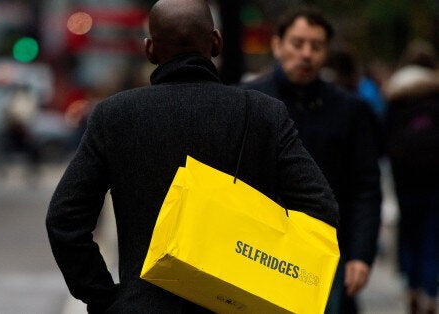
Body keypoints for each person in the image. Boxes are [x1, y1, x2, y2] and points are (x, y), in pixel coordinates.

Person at [46, 0, 339, 312]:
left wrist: (104, 297)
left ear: (150, 50)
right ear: (216, 43)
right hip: (238, 305)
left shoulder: (114, 116)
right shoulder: (263, 113)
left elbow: (64, 220)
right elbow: (321, 207)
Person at [240, 6, 382, 314]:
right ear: (276, 45)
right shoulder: (245, 100)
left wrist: (361, 253)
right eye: (297, 43)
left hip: (328, 252)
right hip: (258, 250)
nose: (306, 54)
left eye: (316, 46)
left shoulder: (350, 110)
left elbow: (365, 188)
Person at [383, 39, 439, 314]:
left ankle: (412, 290)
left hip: (404, 179)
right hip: (434, 180)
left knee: (409, 235)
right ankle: (431, 292)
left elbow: (386, 137)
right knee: (432, 236)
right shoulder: (436, 91)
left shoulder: (395, 92)